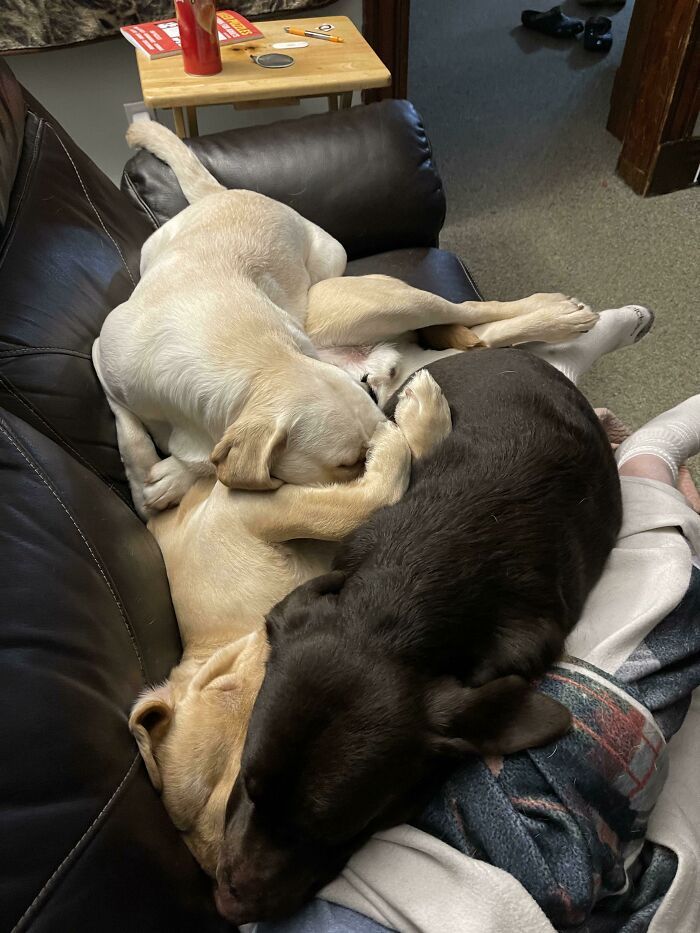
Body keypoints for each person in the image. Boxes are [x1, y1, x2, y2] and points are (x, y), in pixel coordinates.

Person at [256, 313, 700, 933]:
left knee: (668, 591)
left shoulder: (482, 654)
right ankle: (639, 459)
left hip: (484, 400)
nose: (236, 889)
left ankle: (647, 462)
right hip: (505, 416)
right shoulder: (317, 620)